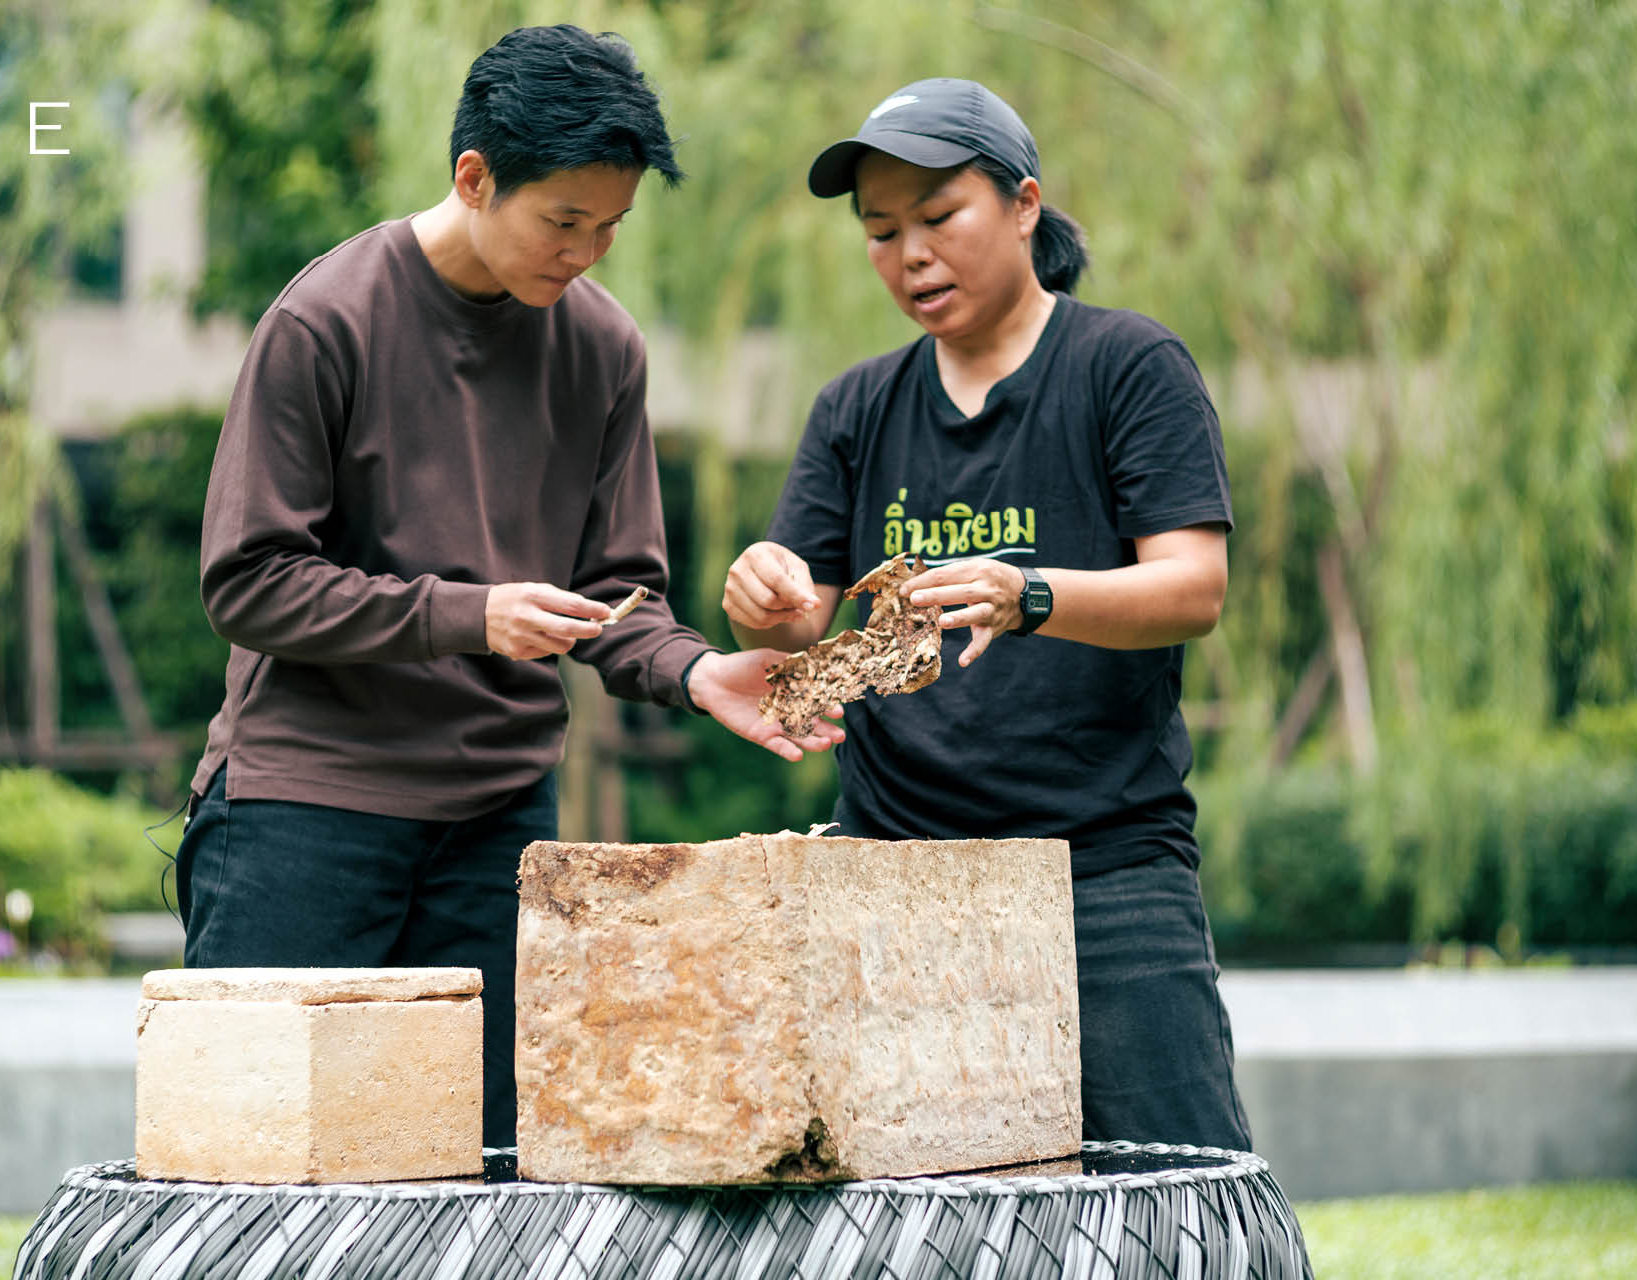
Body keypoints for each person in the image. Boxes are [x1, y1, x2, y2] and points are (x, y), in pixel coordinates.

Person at [178, 24, 841, 1149]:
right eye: (564, 221)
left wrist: (699, 671)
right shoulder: (323, 320)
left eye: (612, 226)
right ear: (473, 178)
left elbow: (619, 595)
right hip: (307, 808)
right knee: (258, 1168)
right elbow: (249, 581)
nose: (586, 252)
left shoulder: (604, 351)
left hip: (497, 824)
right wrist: (467, 613)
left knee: (477, 1177)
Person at [724, 78, 1250, 1149]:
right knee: (916, 1212)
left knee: (1180, 1187)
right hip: (893, 869)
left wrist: (1029, 594)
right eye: (880, 230)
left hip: (1102, 869)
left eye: (936, 216)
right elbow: (798, 626)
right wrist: (760, 595)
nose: (909, 252)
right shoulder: (856, 406)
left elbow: (1192, 587)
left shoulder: (1126, 366)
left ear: (1023, 204)